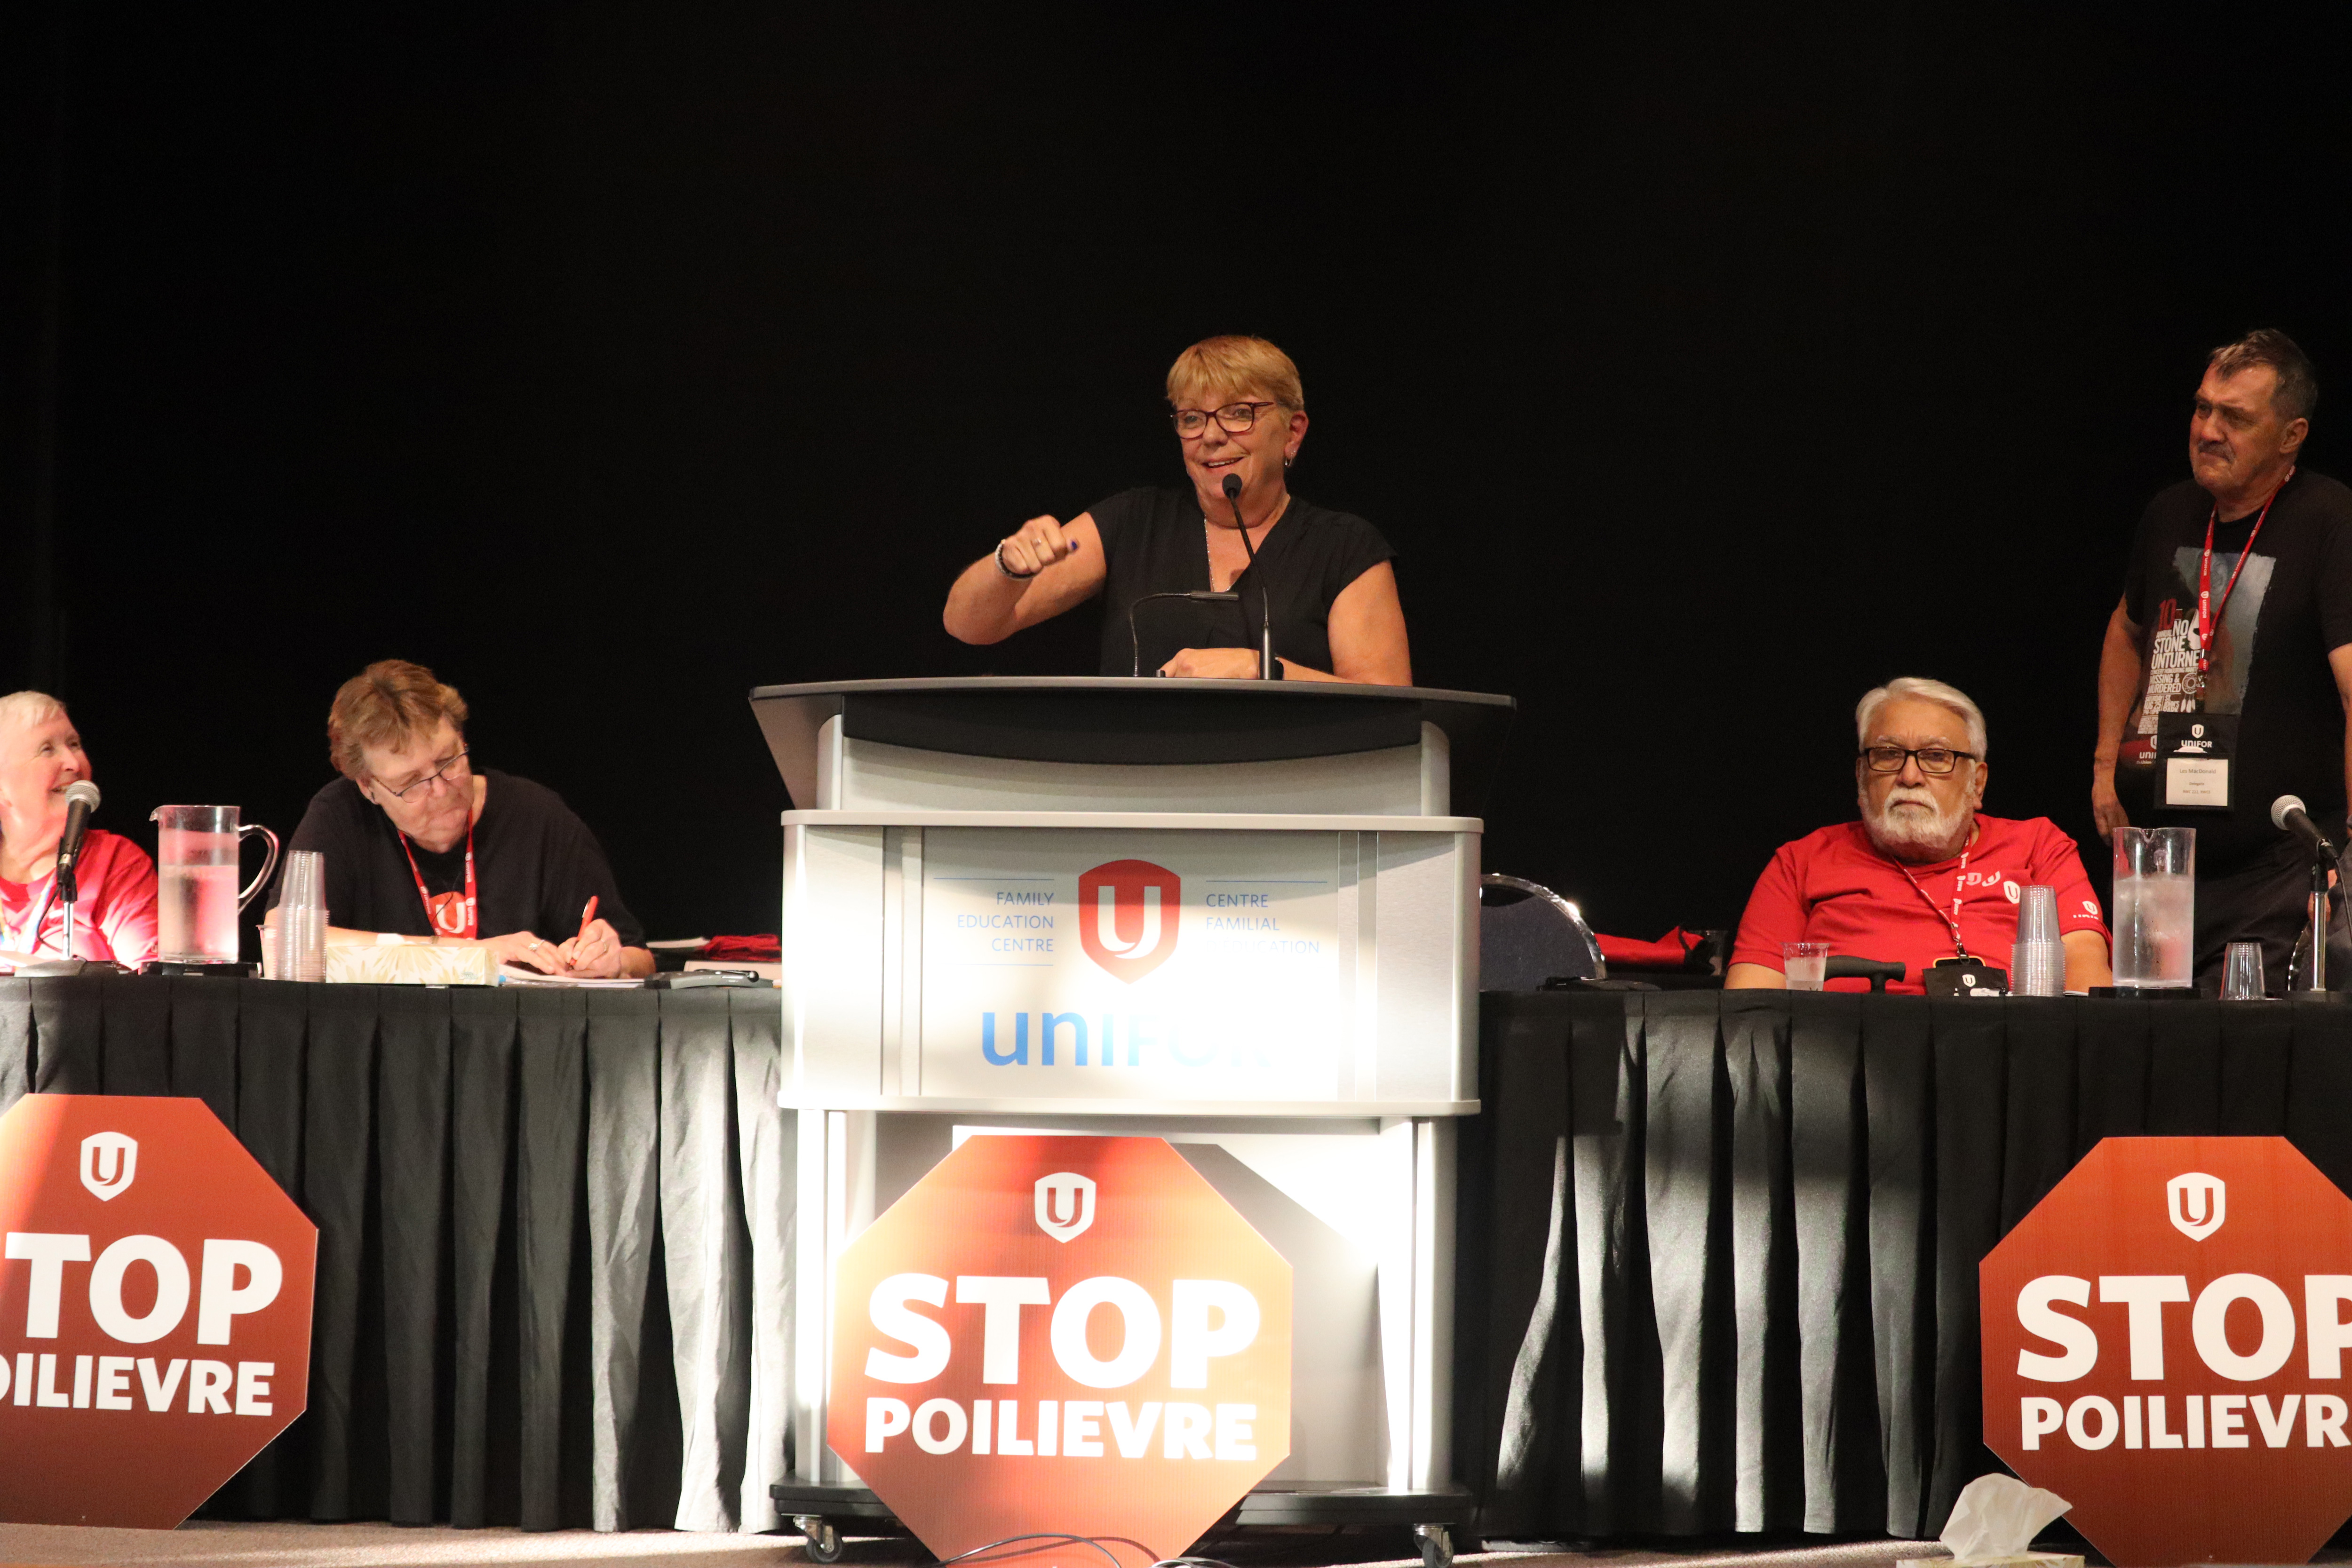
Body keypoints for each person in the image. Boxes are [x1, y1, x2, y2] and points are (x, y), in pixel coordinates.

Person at [2092, 330, 2352, 989]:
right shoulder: (2170, 512)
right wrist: (2103, 767)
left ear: (2292, 434)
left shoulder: (2328, 519)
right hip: (2160, 859)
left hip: (2273, 874)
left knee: (2236, 1065)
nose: (2208, 430)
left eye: (2235, 416)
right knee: (2142, 1060)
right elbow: (2125, 632)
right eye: (2203, 408)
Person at [941, 335, 1414, 683]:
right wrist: (1007, 566)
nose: (1210, 436)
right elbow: (968, 626)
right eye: (1191, 419)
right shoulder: (1132, 523)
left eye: (1238, 413)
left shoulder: (1342, 546)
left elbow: (1387, 703)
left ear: (1292, 432)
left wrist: (1261, 669)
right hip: (1138, 790)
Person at [1728, 678, 2112, 994]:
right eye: (1889, 754)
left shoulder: (2038, 847)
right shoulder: (1801, 862)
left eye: (1935, 757)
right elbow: (1748, 1016)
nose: (1909, 776)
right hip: (1840, 1067)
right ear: (1861, 776)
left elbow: (2086, 978)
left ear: (1977, 784)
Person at [274, 660, 653, 978]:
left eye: (448, 762)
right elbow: (282, 937)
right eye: (411, 783)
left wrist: (613, 960)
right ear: (368, 787)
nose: (440, 790)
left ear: (460, 735)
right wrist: (466, 953)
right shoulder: (341, 816)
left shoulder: (536, 816)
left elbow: (642, 958)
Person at [0, 691, 158, 968]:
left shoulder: (115, 863)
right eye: (47, 749)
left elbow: (149, 990)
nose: (74, 763)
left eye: (74, 744)